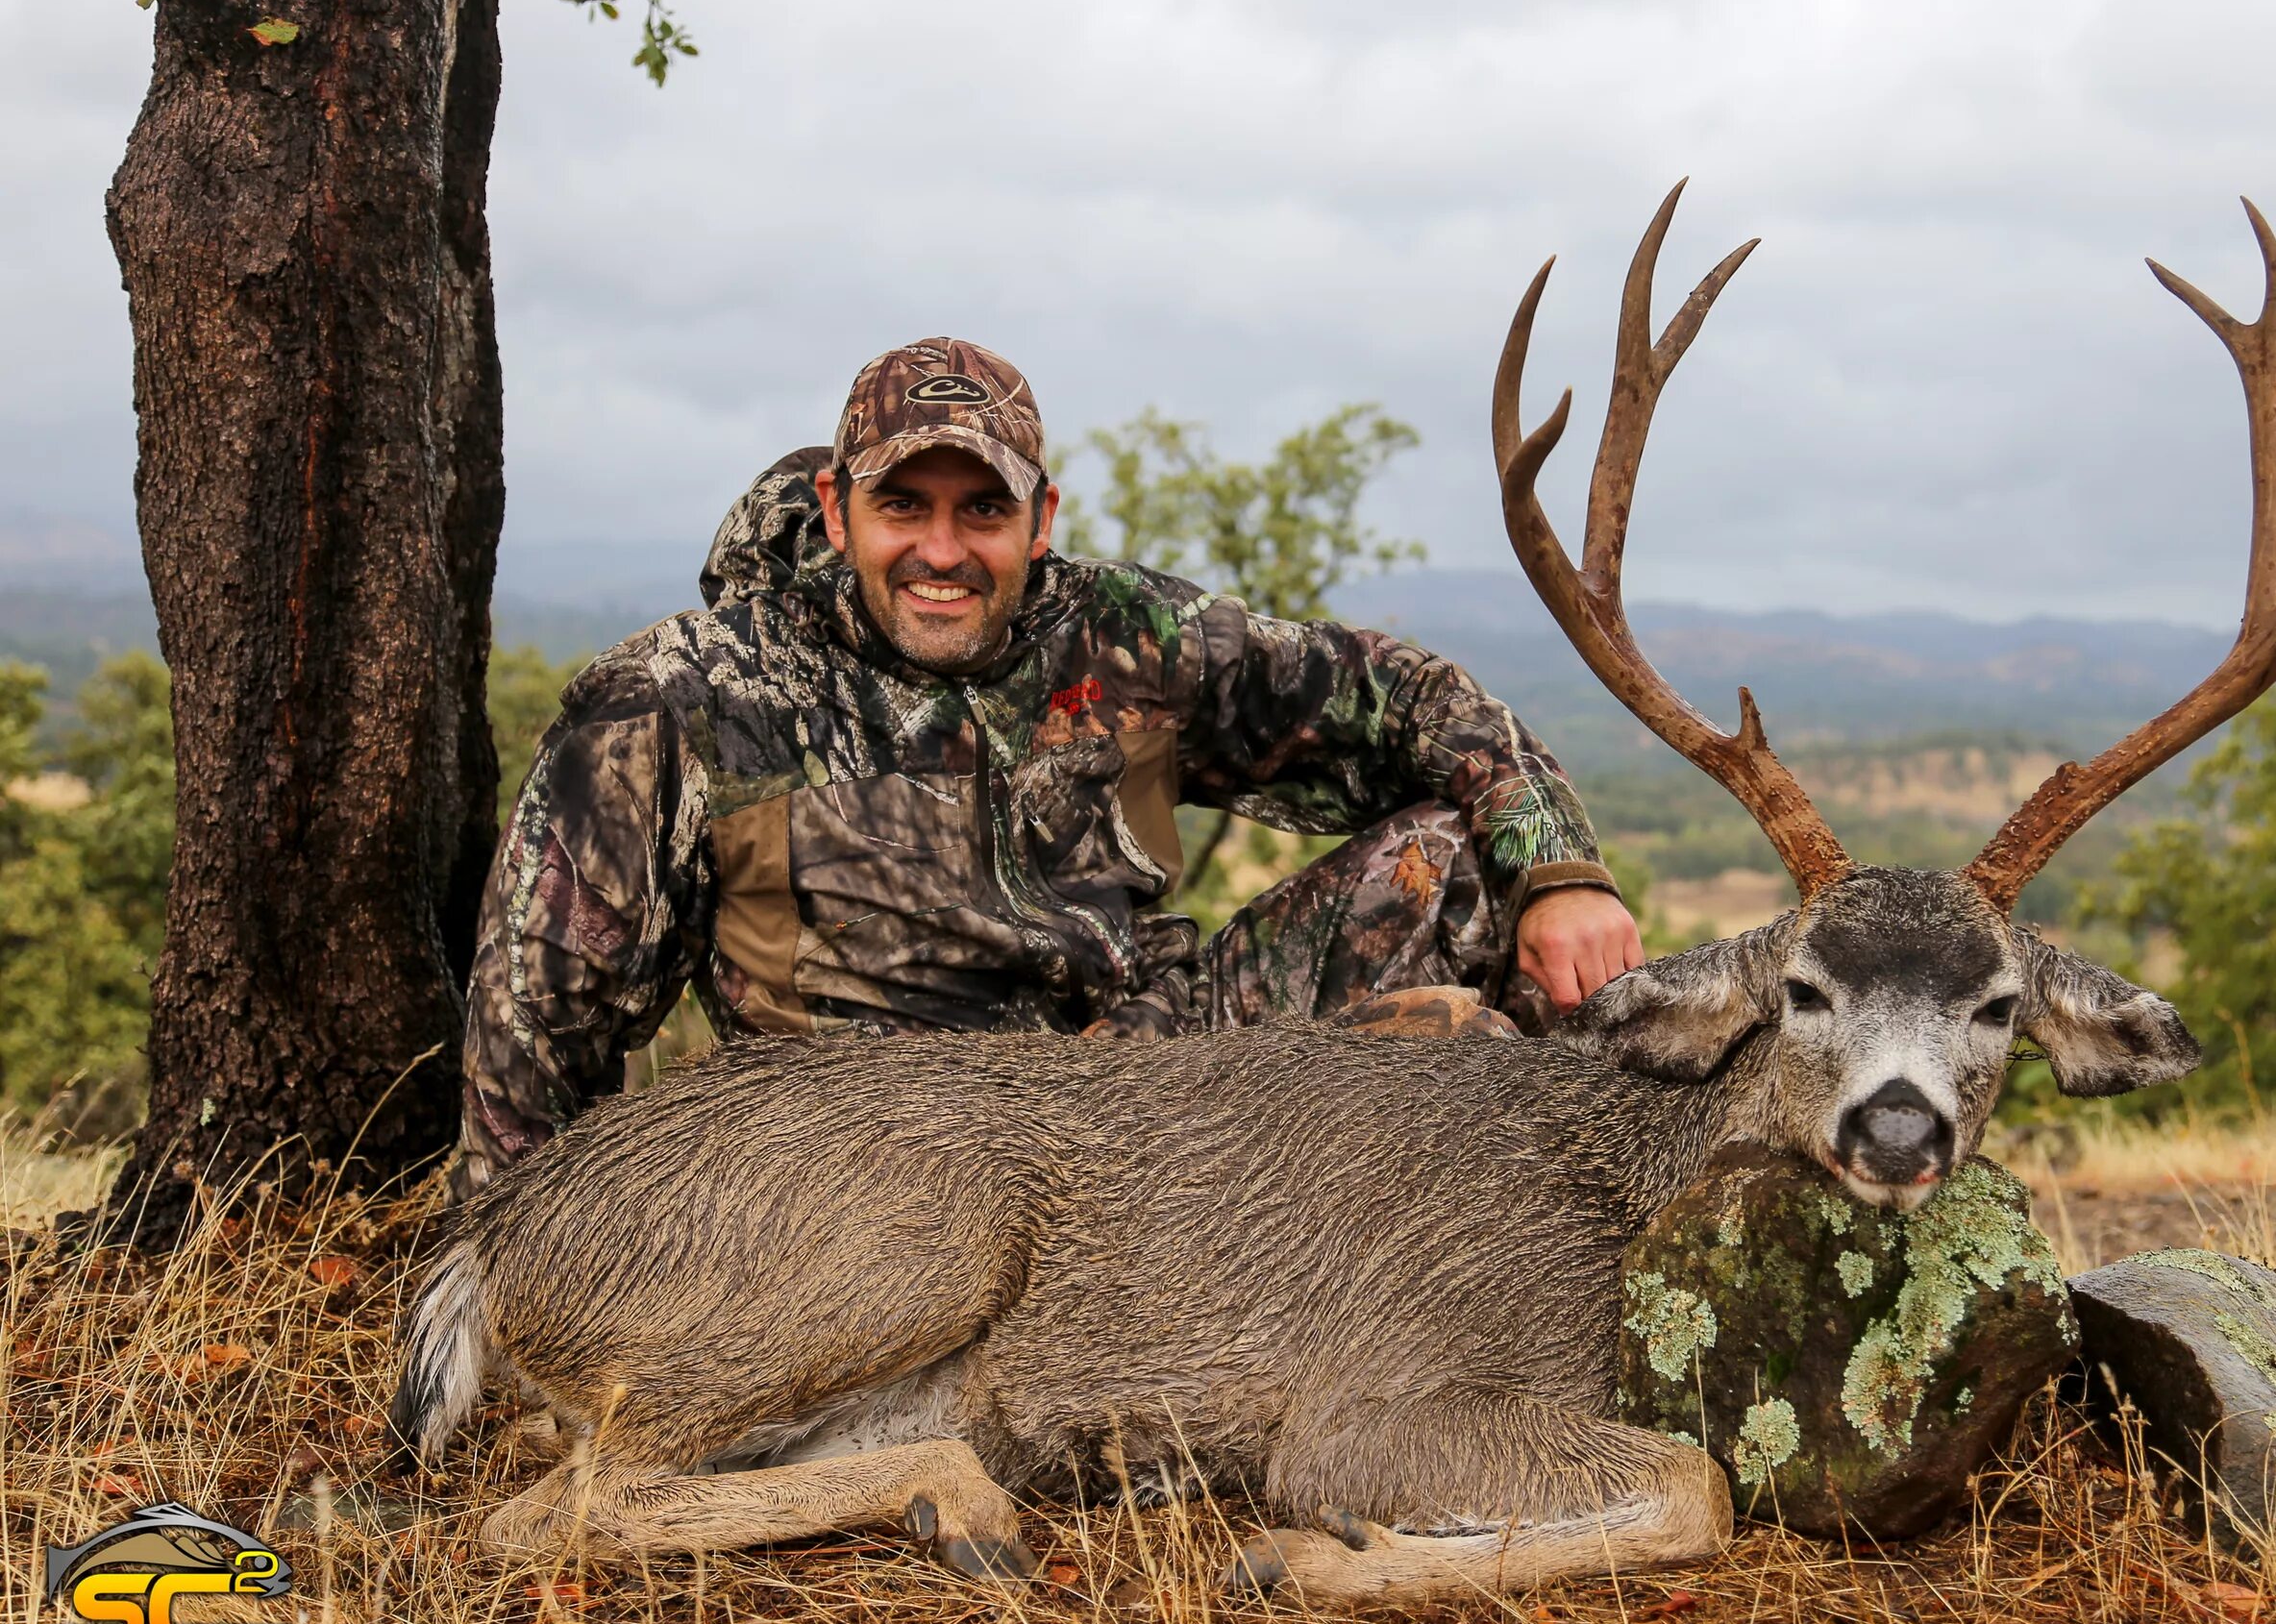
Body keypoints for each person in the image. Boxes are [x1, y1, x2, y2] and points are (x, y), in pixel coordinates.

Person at [453, 338, 1645, 1195]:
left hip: (1141, 1084)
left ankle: (1584, 1265)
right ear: (835, 504)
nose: (941, 547)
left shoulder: (1124, 639)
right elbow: (534, 1021)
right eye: (901, 503)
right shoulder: (679, 697)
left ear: (1040, 516)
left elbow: (1413, 696)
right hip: (881, 1166)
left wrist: (1564, 872)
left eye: (983, 509)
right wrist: (511, 1266)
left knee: (1460, 861)